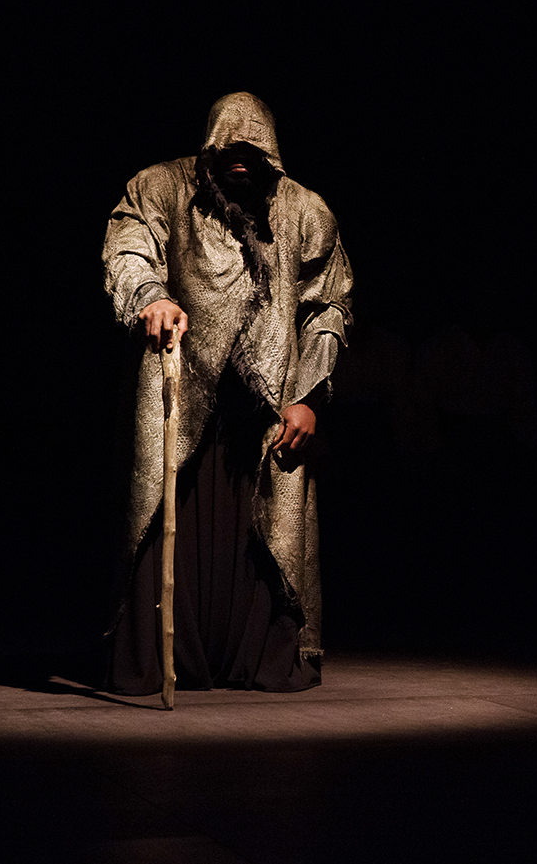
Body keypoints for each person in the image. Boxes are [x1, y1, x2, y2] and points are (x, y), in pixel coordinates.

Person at [101, 92, 353, 694]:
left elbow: (329, 306)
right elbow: (130, 244)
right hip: (180, 392)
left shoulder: (304, 212)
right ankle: (168, 654)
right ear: (209, 146)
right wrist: (150, 297)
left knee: (270, 526)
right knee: (167, 520)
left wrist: (309, 396)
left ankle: (257, 653)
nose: (240, 162)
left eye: (254, 152)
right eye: (228, 150)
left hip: (265, 411)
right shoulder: (162, 187)